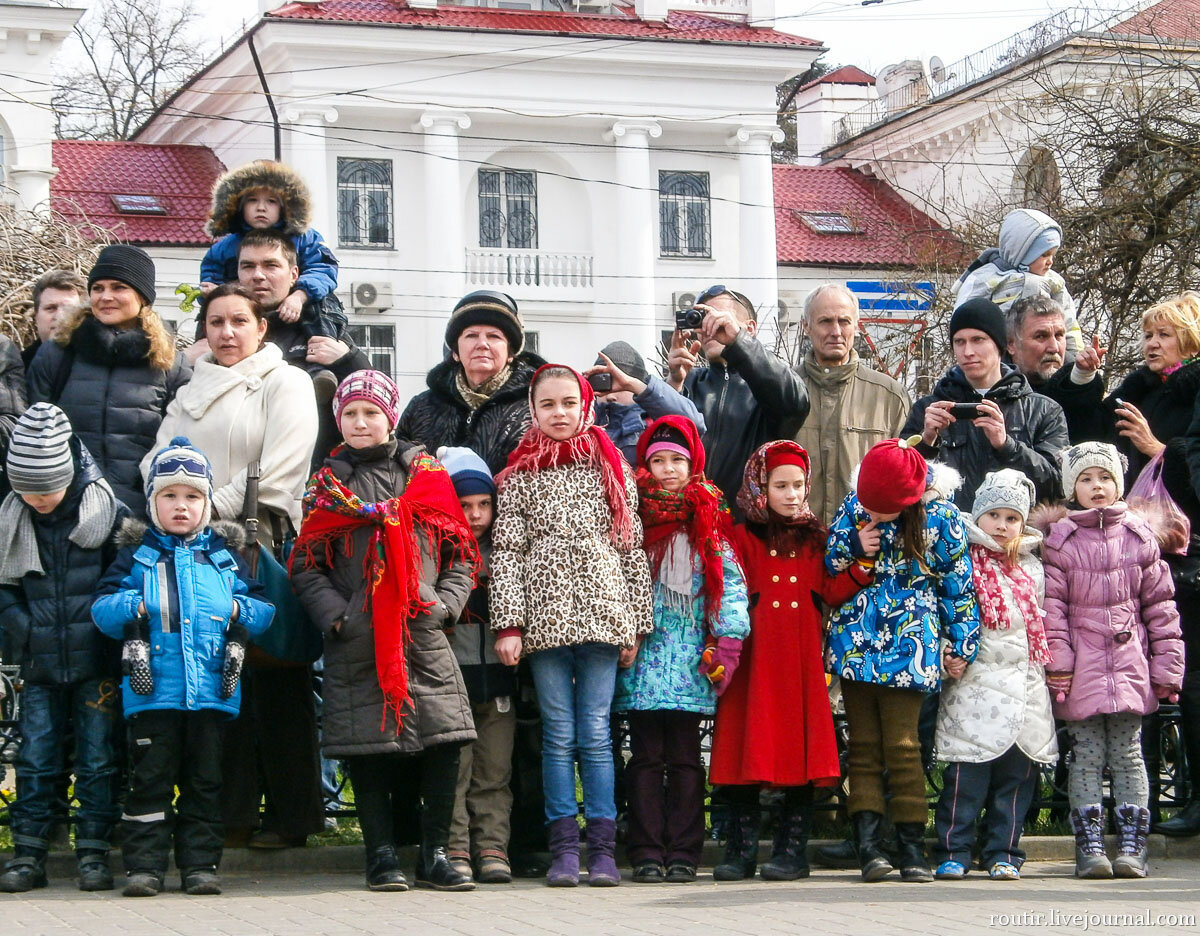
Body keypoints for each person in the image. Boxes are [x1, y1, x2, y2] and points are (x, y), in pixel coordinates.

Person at [148, 282, 326, 852]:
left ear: (261, 328)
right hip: (194, 555)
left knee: (278, 681)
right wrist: (185, 511)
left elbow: (282, 471)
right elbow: (156, 460)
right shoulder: (190, 389)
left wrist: (202, 508)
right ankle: (231, 816)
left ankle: (293, 817)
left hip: (261, 547)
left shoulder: (286, 382)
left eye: (238, 322)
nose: (226, 333)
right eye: (216, 322)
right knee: (220, 682)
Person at [290, 372, 480, 892]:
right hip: (359, 637)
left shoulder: (425, 476)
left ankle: (436, 855)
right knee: (369, 751)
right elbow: (306, 563)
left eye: (371, 412)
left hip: (422, 632)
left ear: (390, 416)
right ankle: (381, 856)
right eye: (350, 414)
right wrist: (339, 616)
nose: (360, 422)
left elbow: (459, 551)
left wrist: (443, 606)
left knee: (445, 743)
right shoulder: (326, 486)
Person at [489, 365, 653, 887]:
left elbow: (630, 548)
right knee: (559, 736)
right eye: (547, 405)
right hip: (543, 623)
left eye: (568, 403)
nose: (559, 414)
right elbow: (508, 553)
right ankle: (564, 848)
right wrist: (508, 624)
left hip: (605, 616)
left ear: (586, 406)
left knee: (598, 737)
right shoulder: (518, 476)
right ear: (532, 410)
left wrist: (635, 623)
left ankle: (602, 849)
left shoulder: (612, 466)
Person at [92, 438, 274, 897]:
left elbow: (263, 611)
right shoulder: (137, 555)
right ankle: (144, 867)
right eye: (169, 496)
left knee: (205, 781)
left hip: (212, 692)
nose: (181, 506)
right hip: (152, 692)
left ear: (207, 504)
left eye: (192, 497)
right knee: (150, 783)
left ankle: (199, 865)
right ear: (152, 502)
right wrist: (137, 603)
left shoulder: (222, 556)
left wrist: (235, 610)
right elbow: (102, 610)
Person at [709, 440, 869, 883]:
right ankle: (739, 848)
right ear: (761, 486)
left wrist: (862, 563)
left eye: (799, 485)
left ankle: (790, 849)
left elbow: (831, 591)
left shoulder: (817, 540)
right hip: (752, 666)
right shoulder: (739, 538)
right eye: (781, 485)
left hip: (799, 664)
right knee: (744, 748)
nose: (793, 494)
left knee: (798, 755)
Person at [825, 438, 980, 883]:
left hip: (911, 648)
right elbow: (830, 562)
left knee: (904, 746)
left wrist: (962, 643)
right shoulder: (856, 509)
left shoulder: (943, 517)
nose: (872, 513)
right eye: (867, 504)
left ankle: (912, 846)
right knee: (864, 748)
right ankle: (869, 848)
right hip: (856, 642)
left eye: (882, 508)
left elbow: (958, 586)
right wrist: (856, 545)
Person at [612, 417, 748, 885]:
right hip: (642, 661)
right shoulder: (630, 519)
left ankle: (686, 851)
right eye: (658, 460)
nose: (668, 469)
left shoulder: (708, 519)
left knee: (688, 760)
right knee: (646, 759)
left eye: (677, 460)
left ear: (693, 465)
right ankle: (647, 850)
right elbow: (616, 583)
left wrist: (726, 646)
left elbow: (729, 586)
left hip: (692, 661)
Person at [1039, 441, 1184, 879]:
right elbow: (1053, 613)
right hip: (1081, 668)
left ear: (1118, 485)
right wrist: (1059, 665)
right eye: (1085, 479)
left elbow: (1161, 608)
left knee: (1128, 754)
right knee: (1084, 754)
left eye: (1104, 478)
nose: (1096, 486)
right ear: (1072, 488)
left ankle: (1133, 843)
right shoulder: (1061, 544)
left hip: (1129, 664)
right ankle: (1090, 843)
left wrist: (1166, 667)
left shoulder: (1139, 537)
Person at [0, 404, 126, 893]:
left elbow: (122, 580)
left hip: (96, 661)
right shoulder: (13, 515)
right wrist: (22, 628)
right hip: (39, 661)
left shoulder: (105, 511)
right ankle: (27, 854)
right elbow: (4, 587)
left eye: (46, 488)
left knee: (98, 759)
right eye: (26, 489)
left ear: (67, 472)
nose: (37, 499)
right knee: (35, 758)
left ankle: (93, 852)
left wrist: (103, 630)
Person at [932, 470, 1058, 881]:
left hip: (1025, 687)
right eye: (994, 517)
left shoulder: (1034, 569)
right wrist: (948, 652)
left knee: (1015, 780)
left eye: (1012, 518)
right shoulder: (962, 561)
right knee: (965, 777)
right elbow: (947, 612)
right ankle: (955, 849)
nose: (1002, 527)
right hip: (974, 686)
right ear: (978, 517)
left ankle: (1004, 851)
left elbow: (1043, 624)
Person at [26, 245, 191, 517]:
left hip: (141, 514)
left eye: (118, 287)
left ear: (142, 296)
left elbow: (181, 441)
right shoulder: (58, 353)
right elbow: (37, 432)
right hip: (69, 510)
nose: (106, 297)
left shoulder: (170, 363)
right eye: (98, 288)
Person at [902, 298, 1069, 510]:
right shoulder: (928, 409)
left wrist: (1007, 446)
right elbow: (899, 485)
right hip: (948, 538)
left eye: (978, 340)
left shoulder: (1045, 411)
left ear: (1000, 345)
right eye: (959, 342)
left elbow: (1059, 485)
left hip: (1016, 539)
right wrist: (925, 443)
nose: (968, 352)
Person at [439, 445, 516, 886]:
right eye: (465, 505)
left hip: (499, 680)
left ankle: (493, 846)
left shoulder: (504, 551)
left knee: (494, 771)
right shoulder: (441, 550)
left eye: (484, 504)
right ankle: (455, 847)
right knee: (456, 772)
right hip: (453, 678)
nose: (476, 514)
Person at [199, 161, 343, 391]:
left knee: (321, 308)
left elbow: (324, 267)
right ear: (238, 206)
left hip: (303, 302)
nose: (261, 208)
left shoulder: (304, 237)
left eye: (271, 201)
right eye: (252, 201)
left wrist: (300, 295)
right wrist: (214, 291)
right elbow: (211, 270)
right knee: (212, 312)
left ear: (285, 206)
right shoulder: (227, 245)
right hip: (244, 305)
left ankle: (319, 372)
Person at [667, 285, 809, 513]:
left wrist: (738, 342)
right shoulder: (688, 382)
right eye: (702, 320)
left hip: (750, 534)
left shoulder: (767, 387)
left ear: (749, 328)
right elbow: (660, 449)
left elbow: (795, 405)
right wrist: (674, 384)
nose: (708, 329)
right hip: (693, 529)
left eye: (717, 319)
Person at [794, 283, 910, 524]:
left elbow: (905, 481)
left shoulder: (889, 396)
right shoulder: (785, 390)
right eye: (825, 321)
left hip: (867, 544)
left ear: (856, 325)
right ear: (806, 325)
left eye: (844, 321)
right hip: (797, 545)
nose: (836, 331)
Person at [398, 291, 547, 476]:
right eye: (471, 335)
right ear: (455, 352)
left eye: (494, 336)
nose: (482, 344)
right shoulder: (422, 408)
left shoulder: (536, 405)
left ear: (510, 353)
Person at [954, 208, 1083, 354]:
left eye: (1053, 255)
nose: (1050, 262)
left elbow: (1069, 320)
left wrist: (1074, 354)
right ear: (1021, 252)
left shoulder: (1054, 281)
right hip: (997, 352)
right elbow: (965, 315)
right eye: (1044, 255)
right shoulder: (986, 278)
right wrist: (971, 348)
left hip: (1042, 352)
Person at [1005, 295, 1108, 445]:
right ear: (1011, 345)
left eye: (1059, 335)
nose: (1054, 348)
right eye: (1041, 336)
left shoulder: (1082, 385)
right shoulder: (988, 388)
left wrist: (1082, 380)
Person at [583, 341, 705, 464]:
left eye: (621, 386)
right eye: (603, 384)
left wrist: (637, 386)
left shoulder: (653, 424)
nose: (611, 396)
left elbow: (692, 426)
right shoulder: (583, 424)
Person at [23, 270, 86, 368]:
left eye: (69, 309)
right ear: (36, 317)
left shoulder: (101, 365)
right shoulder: (18, 370)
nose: (59, 316)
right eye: (50, 308)